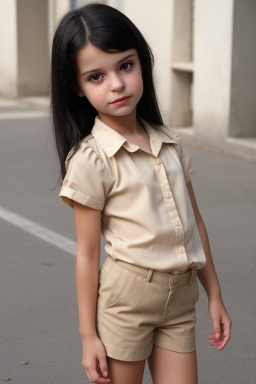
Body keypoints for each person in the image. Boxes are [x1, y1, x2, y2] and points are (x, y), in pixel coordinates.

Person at [50, 3, 232, 384]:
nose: (116, 84)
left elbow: (195, 222)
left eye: (126, 66)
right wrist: (88, 336)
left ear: (141, 64)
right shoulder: (91, 158)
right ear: (77, 87)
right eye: (96, 76)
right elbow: (86, 254)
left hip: (181, 298)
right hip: (126, 302)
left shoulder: (170, 143)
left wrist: (214, 294)